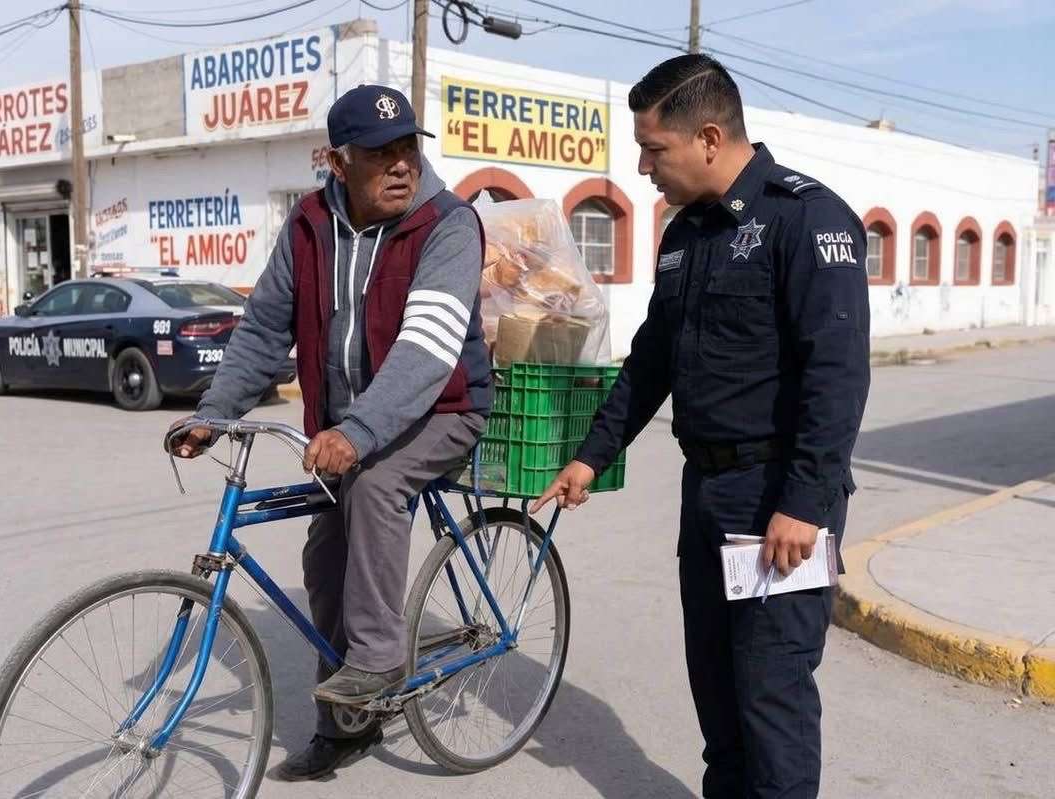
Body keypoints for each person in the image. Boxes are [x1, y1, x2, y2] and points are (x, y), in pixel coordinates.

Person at [533, 55, 870, 798]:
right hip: (708, 493)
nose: (645, 167)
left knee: (771, 696)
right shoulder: (686, 236)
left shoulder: (806, 219)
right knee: (717, 692)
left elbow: (837, 376)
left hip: (777, 495)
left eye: (655, 150)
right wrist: (591, 455)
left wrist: (805, 504)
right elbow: (652, 358)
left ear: (710, 138)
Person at [170, 84, 492, 781]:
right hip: (354, 422)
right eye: (381, 155)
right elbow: (262, 328)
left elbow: (428, 349)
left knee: (374, 484)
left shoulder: (447, 223)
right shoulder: (310, 223)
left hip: (444, 408)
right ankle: (345, 728)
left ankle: (377, 661)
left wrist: (361, 430)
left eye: (408, 148)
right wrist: (215, 412)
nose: (401, 165)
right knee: (326, 553)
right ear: (337, 162)